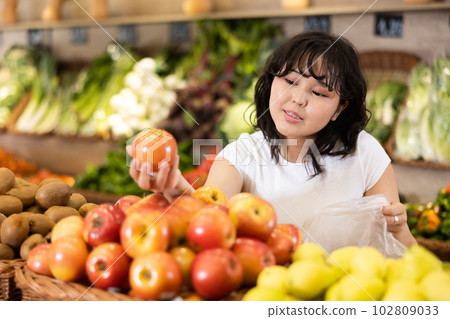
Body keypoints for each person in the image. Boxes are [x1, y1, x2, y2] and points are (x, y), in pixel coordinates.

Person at [129, 31, 416, 247]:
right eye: (290, 81)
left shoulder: (365, 152)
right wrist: (176, 187)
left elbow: (407, 254)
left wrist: (399, 229)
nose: (297, 99)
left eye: (319, 93)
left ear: (339, 108)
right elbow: (207, 220)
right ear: (271, 83)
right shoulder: (240, 155)